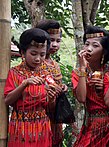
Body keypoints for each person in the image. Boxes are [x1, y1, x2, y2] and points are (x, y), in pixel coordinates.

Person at [4, 28, 61, 147]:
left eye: (42, 54)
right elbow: (8, 100)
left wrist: (51, 99)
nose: (38, 59)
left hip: (42, 127)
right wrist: (24, 84)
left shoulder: (47, 75)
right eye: (33, 54)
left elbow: (50, 108)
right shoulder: (14, 73)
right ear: (23, 52)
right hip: (21, 127)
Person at [72, 25, 109, 147]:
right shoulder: (77, 72)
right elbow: (82, 98)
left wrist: (105, 86)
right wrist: (83, 68)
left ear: (104, 51)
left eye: (95, 46)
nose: (89, 49)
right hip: (92, 123)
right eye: (86, 44)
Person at [35, 19, 68, 147]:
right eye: (51, 40)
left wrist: (62, 88)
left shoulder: (55, 65)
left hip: (55, 116)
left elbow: (57, 86)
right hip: (39, 116)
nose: (54, 45)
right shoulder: (35, 63)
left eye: (58, 41)